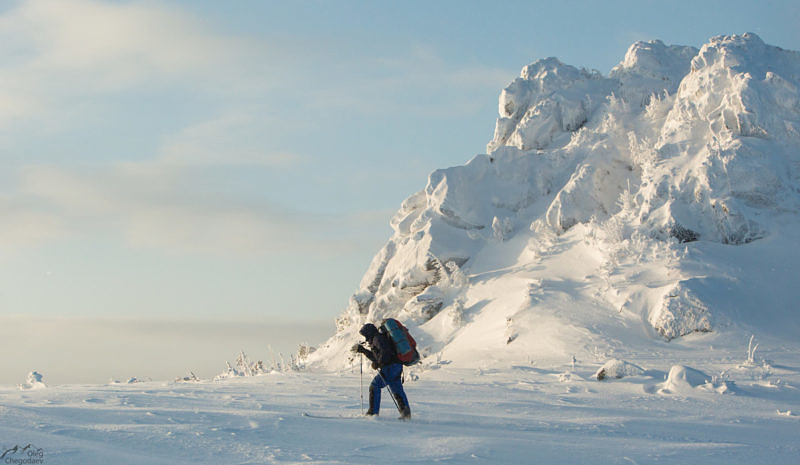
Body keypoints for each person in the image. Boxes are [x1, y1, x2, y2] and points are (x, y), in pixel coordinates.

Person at [351, 323, 411, 419]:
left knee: (374, 386)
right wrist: (363, 351)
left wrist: (378, 363)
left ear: (369, 333)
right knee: (397, 389)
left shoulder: (377, 339)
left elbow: (384, 354)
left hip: (390, 368)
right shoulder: (378, 338)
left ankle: (373, 413)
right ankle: (406, 413)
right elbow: (377, 356)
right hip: (396, 366)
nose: (366, 339)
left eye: (366, 335)